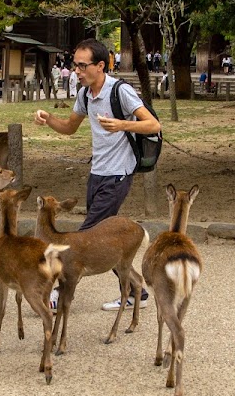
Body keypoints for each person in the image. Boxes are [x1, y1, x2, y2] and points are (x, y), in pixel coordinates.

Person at [33, 38, 160, 311]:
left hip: (118, 175)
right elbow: (69, 127)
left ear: (100, 66)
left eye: (82, 65)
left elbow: (153, 124)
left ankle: (59, 293)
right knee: (99, 238)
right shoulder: (84, 95)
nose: (76, 70)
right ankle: (136, 290)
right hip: (96, 173)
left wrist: (123, 125)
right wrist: (48, 119)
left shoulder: (120, 92)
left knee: (87, 236)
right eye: (74, 65)